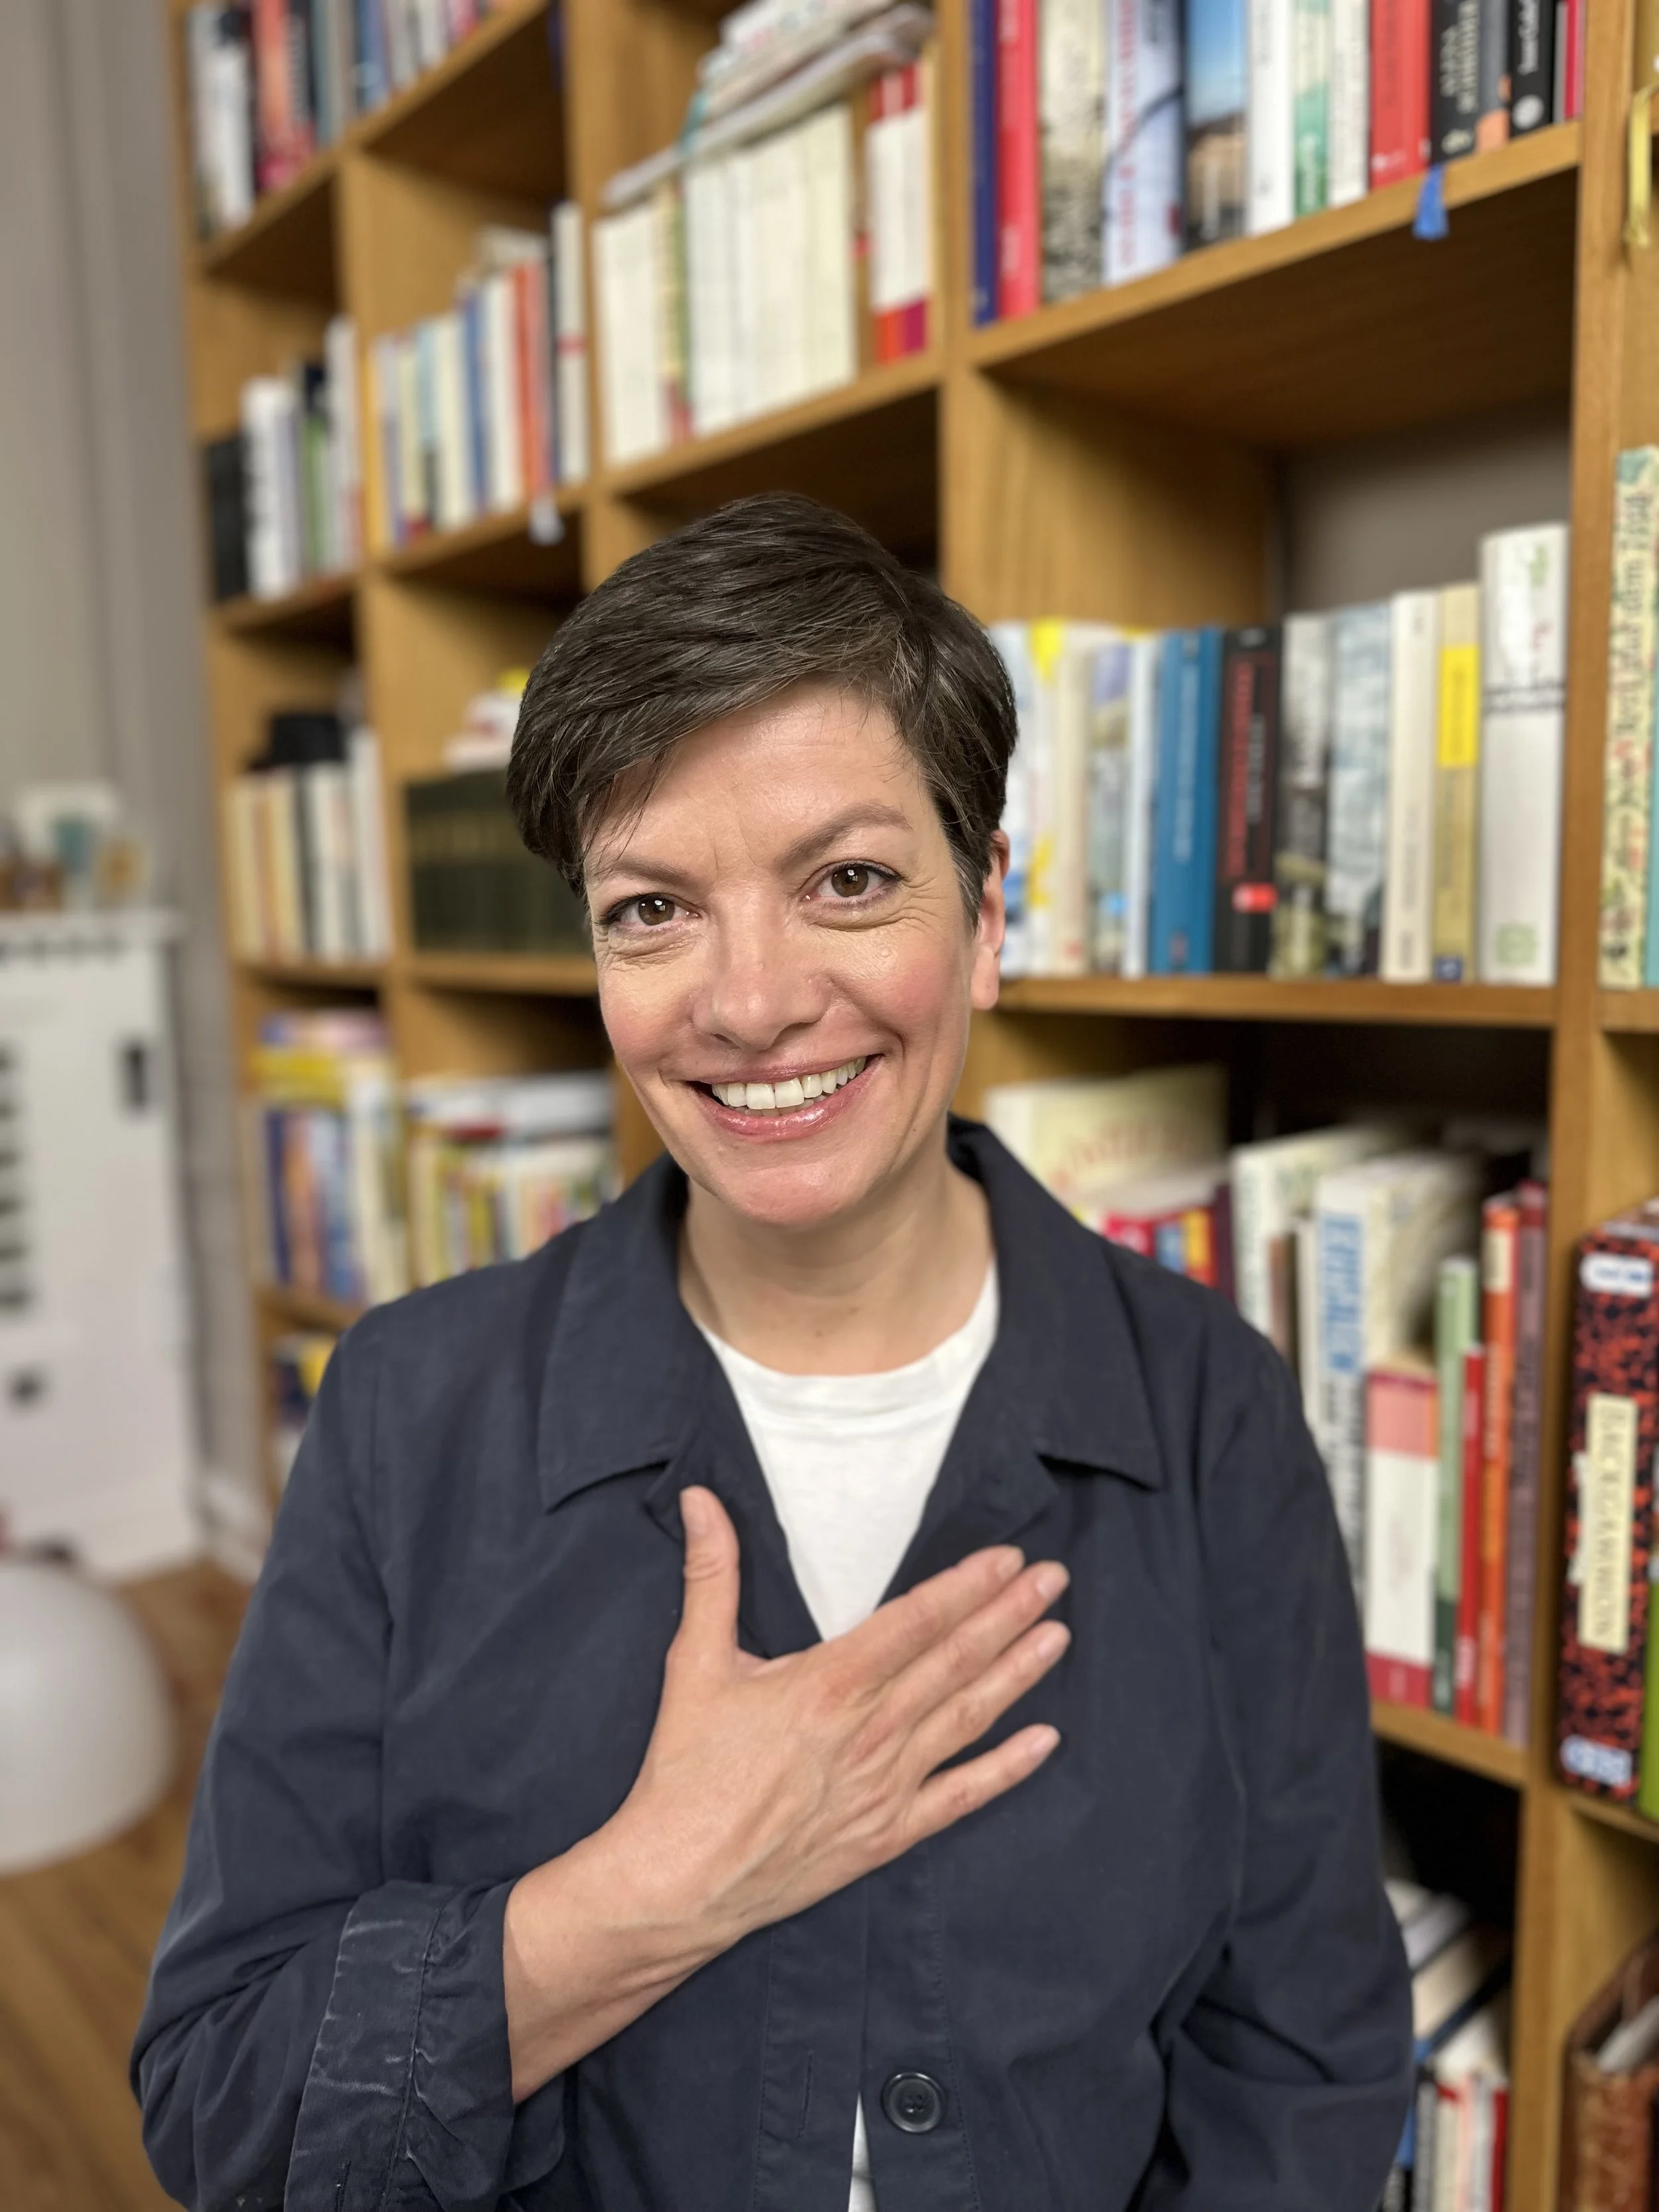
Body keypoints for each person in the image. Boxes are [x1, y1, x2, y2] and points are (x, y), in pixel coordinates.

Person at [135, 494, 1411, 2212]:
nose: (745, 1001)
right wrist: (648, 1887)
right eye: (652, 907)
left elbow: (1302, 2070)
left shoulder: (1211, 1406)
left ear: (986, 909)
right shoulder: (407, 1409)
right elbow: (224, 2105)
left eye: (849, 879)